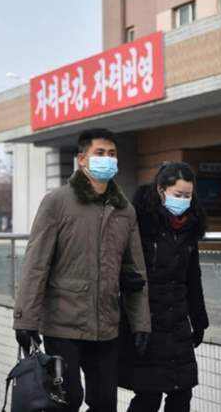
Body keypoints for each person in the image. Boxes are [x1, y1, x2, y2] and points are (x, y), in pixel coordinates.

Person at [13, 128, 151, 412]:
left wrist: (141, 323)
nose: (107, 159)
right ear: (82, 159)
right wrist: (25, 319)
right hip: (63, 324)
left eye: (112, 154)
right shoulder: (57, 202)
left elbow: (136, 273)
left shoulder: (125, 210)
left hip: (107, 326)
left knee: (105, 403)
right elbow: (36, 264)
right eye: (99, 153)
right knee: (69, 399)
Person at [119, 162, 209, 412]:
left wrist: (199, 320)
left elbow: (193, 277)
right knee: (149, 397)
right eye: (178, 194)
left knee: (182, 393)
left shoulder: (190, 226)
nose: (184, 201)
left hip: (178, 322)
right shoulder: (140, 222)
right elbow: (120, 263)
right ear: (161, 190)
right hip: (148, 322)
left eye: (188, 195)